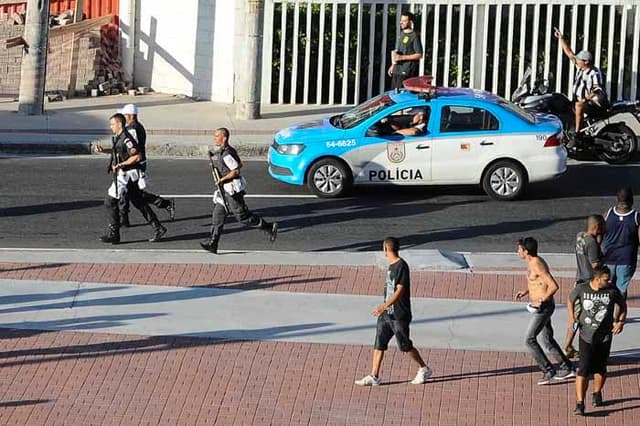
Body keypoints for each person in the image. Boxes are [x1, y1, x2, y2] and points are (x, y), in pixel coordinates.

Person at [355, 237, 432, 386]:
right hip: (386, 315)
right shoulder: (392, 265)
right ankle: (374, 375)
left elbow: (399, 291)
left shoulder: (401, 266)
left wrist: (383, 306)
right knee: (379, 343)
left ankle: (424, 368)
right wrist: (384, 309)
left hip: (399, 315)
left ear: (386, 249)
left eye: (383, 248)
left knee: (405, 346)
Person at [200, 127, 278, 254]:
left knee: (242, 217)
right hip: (224, 191)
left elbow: (236, 170)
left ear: (224, 138)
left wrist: (222, 179)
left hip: (231, 191)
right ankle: (213, 244)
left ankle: (269, 227)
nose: (214, 138)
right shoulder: (226, 151)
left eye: (217, 136)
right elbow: (239, 163)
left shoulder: (226, 154)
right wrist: (214, 156)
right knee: (217, 216)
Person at [96, 113, 167, 244]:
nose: (110, 127)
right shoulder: (120, 138)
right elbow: (118, 151)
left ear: (119, 124)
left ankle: (114, 234)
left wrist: (120, 164)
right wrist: (104, 150)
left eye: (112, 124)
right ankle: (158, 227)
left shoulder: (126, 139)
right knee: (138, 202)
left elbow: (137, 156)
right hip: (126, 175)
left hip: (126, 175)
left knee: (110, 201)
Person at [515, 237, 575, 385]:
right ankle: (567, 367)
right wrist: (526, 291)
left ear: (526, 251)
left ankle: (548, 370)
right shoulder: (531, 262)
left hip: (543, 308)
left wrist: (541, 300)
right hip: (540, 306)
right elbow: (537, 283)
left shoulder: (537, 264)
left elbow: (554, 286)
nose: (517, 252)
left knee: (529, 339)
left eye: (519, 249)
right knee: (547, 340)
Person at [568, 266, 626, 416]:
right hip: (586, 336)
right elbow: (570, 299)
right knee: (583, 369)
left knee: (600, 369)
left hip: (605, 336)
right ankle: (580, 403)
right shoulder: (582, 289)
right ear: (597, 278)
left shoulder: (612, 291)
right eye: (606, 280)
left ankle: (597, 393)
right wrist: (572, 316)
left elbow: (623, 305)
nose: (609, 282)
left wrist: (620, 322)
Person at [117, 104, 175, 227]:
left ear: (131, 116)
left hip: (134, 165)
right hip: (137, 164)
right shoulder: (139, 127)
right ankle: (125, 218)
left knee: (131, 193)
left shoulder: (132, 130)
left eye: (125, 115)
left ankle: (161, 206)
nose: (123, 118)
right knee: (130, 192)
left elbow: (131, 149)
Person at [564, 215, 605, 359]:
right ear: (596, 227)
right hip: (588, 283)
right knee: (582, 318)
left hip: (578, 279)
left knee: (576, 316)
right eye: (602, 227)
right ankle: (568, 346)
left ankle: (569, 345)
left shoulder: (580, 236)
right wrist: (604, 258)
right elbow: (595, 265)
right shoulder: (592, 243)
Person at [554, 27, 607, 135]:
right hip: (582, 100)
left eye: (579, 59)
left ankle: (577, 134)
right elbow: (569, 53)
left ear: (586, 61)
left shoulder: (594, 72)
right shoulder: (581, 67)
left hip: (594, 103)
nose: (576, 60)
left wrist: (584, 100)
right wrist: (561, 38)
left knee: (578, 105)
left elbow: (597, 89)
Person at [602, 187, 639, 299]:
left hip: (608, 257)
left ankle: (608, 312)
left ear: (617, 199)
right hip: (626, 259)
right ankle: (619, 315)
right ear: (632, 200)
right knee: (621, 290)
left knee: (606, 288)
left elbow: (599, 232)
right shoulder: (636, 216)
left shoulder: (608, 213)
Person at [387, 11, 423, 90]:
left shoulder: (414, 36)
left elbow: (419, 54)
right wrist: (393, 65)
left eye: (404, 21)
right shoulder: (401, 34)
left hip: (406, 71)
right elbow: (398, 51)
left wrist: (402, 58)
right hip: (397, 70)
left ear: (410, 22)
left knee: (402, 94)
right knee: (394, 93)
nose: (401, 22)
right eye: (401, 20)